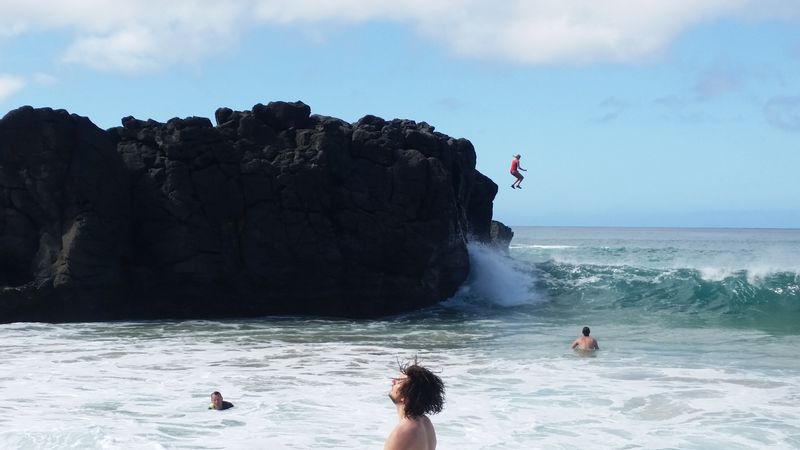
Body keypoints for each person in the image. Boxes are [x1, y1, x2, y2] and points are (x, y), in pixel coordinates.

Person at [385, 360, 445, 450]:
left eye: (399, 382)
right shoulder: (425, 422)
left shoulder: (404, 431)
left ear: (405, 397)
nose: (393, 381)